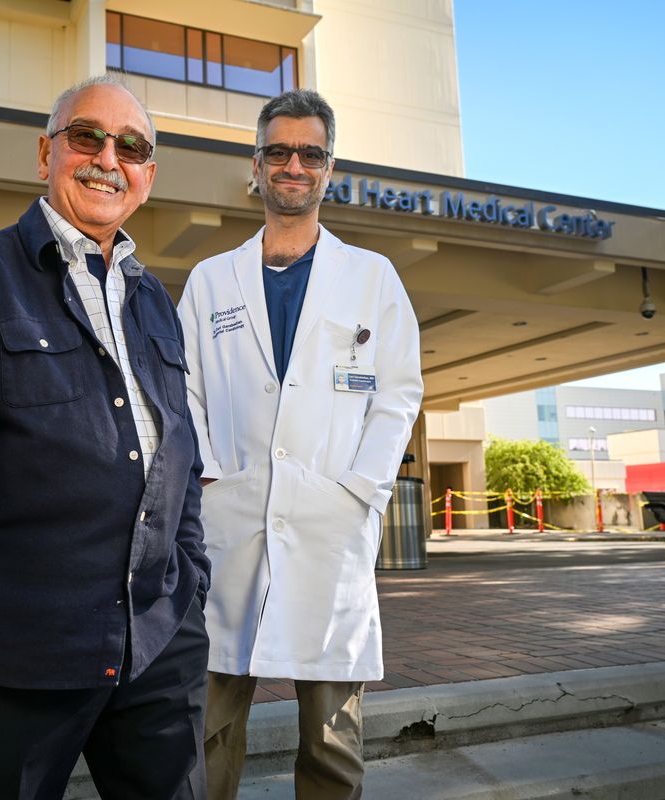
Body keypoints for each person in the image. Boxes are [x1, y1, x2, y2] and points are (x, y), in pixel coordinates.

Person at [0, 75, 210, 800]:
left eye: (132, 147)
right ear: (45, 154)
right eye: (87, 136)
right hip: (18, 654)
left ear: (148, 175)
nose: (107, 159)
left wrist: (191, 582)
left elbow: (181, 454)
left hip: (157, 648)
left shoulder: (155, 301)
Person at [177, 89, 423, 799]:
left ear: (329, 168)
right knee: (207, 723)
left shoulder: (371, 277)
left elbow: (399, 391)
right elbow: (184, 391)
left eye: (309, 153)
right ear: (255, 166)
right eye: (278, 152)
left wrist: (360, 490)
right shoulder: (210, 280)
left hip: (330, 526)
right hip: (231, 523)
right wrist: (210, 480)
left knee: (332, 739)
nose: (293, 165)